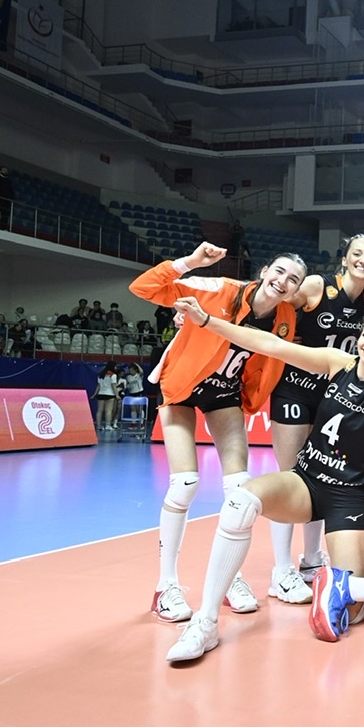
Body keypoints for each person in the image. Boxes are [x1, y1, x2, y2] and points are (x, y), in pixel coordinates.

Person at [162, 306, 364, 662]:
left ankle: (353, 581)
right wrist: (207, 321)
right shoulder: (338, 362)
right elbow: (270, 345)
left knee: (351, 611)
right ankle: (205, 622)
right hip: (307, 482)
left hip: (348, 499)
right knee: (239, 503)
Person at [130, 242, 304, 623]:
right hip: (182, 386)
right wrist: (191, 262)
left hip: (224, 393)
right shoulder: (221, 289)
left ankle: (229, 578)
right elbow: (144, 288)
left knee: (240, 487)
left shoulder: (286, 316)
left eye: (293, 279)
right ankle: (165, 586)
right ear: (264, 272)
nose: (283, 281)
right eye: (279, 271)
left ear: (296, 290)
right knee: (185, 484)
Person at [267, 234, 364, 607]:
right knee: (290, 477)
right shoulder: (318, 286)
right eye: (357, 254)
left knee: (319, 476)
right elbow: (276, 304)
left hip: (329, 398)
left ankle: (311, 559)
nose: (363, 260)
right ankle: (281, 570)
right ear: (344, 258)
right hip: (294, 389)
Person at [94, 362, 122, 432]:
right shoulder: (113, 375)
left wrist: (94, 394)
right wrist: (117, 395)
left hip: (101, 394)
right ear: (112, 367)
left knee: (99, 410)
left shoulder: (101, 375)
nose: (116, 368)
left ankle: (98, 426)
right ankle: (108, 426)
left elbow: (98, 386)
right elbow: (113, 386)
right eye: (115, 366)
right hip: (110, 394)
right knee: (108, 411)